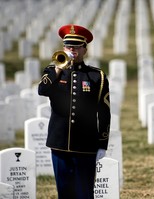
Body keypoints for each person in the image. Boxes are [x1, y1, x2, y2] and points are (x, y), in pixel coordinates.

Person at [38, 24, 111, 199]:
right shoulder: (52, 72)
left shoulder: (96, 76)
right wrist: (58, 69)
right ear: (63, 47)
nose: (72, 49)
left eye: (77, 46)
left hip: (85, 145)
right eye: (68, 46)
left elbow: (104, 112)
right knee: (64, 192)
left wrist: (102, 144)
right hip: (59, 143)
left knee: (85, 192)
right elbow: (42, 90)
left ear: (84, 49)